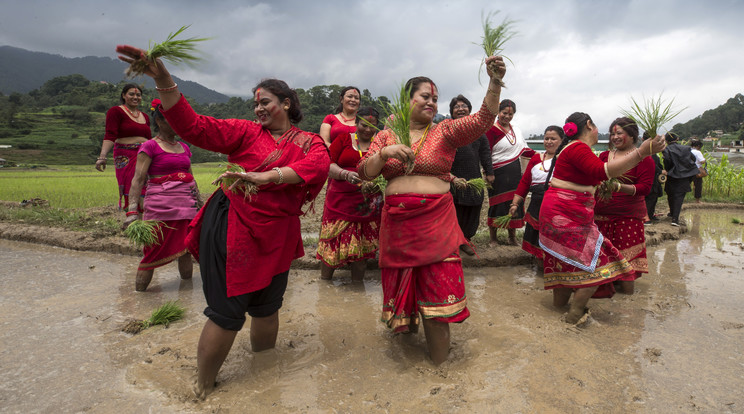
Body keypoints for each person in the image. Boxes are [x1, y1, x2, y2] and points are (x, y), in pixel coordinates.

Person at [116, 45, 330, 399]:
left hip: (277, 232)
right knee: (227, 310)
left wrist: (268, 177)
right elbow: (195, 126)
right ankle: (202, 387)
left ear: (287, 103)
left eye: (266, 102)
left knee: (267, 306)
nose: (259, 108)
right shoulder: (245, 132)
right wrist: (163, 78)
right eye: (256, 104)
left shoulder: (310, 143)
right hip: (234, 227)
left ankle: (264, 374)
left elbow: (317, 168)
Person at [357, 56, 506, 365]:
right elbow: (365, 172)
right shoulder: (386, 135)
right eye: (426, 96)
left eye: (435, 99)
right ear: (407, 99)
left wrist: (494, 83)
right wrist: (385, 153)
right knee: (402, 292)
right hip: (397, 224)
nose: (432, 102)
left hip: (435, 222)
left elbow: (481, 121)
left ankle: (441, 371)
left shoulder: (445, 131)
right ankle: (408, 362)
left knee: (437, 297)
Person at [538, 112, 666, 324]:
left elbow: (599, 177)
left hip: (564, 212)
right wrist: (642, 153)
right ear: (589, 125)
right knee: (601, 265)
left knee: (563, 262)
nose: (610, 135)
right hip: (566, 214)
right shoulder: (579, 147)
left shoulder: (575, 149)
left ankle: (559, 309)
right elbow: (601, 172)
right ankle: (574, 316)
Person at [123, 99, 202, 291]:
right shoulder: (150, 146)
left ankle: (186, 297)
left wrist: (200, 205)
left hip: (186, 207)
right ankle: (138, 300)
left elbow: (191, 177)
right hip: (160, 210)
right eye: (171, 120)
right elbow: (138, 179)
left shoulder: (184, 148)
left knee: (185, 251)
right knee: (151, 254)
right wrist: (132, 212)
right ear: (159, 121)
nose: (177, 125)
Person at [316, 107, 383, 281]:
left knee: (360, 252)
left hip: (366, 204)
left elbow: (386, 170)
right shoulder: (343, 139)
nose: (368, 130)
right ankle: (324, 286)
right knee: (331, 248)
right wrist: (345, 174)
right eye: (364, 125)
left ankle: (357, 287)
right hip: (340, 200)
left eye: (372, 126)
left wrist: (376, 183)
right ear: (356, 123)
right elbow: (327, 164)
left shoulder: (380, 145)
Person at [593, 117, 655, 294]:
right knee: (602, 258)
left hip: (627, 217)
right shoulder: (605, 156)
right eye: (612, 134)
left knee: (626, 259)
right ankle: (606, 290)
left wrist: (619, 187)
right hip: (600, 216)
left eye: (619, 133)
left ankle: (628, 303)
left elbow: (645, 188)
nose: (615, 137)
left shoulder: (644, 159)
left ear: (632, 135)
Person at [448, 94, 494, 256]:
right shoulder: (447, 130)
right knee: (454, 209)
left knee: (474, 207)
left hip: (474, 176)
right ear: (452, 112)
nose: (460, 109)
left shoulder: (478, 131)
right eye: (456, 107)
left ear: (469, 109)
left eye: (463, 106)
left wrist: (489, 172)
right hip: (452, 176)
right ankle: (454, 241)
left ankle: (466, 239)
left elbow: (485, 153)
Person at [508, 126, 562, 261]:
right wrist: (515, 204)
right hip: (537, 205)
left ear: (562, 140)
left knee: (554, 240)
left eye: (553, 139)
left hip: (557, 207)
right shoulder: (536, 159)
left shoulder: (564, 160)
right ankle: (540, 267)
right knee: (538, 239)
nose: (549, 141)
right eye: (546, 138)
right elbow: (525, 183)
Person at [485, 99, 535, 246]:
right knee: (496, 203)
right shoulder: (491, 130)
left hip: (514, 172)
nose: (507, 116)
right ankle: (493, 237)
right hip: (496, 173)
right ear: (498, 113)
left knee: (515, 202)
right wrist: (488, 172)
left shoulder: (516, 131)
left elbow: (525, 150)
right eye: (504, 113)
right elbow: (486, 152)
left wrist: (544, 156)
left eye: (510, 114)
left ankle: (512, 237)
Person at [96, 84, 152, 210]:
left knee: (147, 189)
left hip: (145, 156)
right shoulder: (116, 111)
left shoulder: (145, 116)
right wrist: (102, 156)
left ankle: (144, 222)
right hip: (126, 156)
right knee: (133, 187)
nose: (135, 97)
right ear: (123, 95)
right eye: (131, 94)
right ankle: (133, 219)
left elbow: (149, 139)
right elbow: (110, 134)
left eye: (138, 95)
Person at [662, 132, 699, 226]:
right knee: (679, 196)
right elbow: (693, 159)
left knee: (670, 193)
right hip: (685, 175)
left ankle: (672, 213)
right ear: (677, 139)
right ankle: (675, 218)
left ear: (666, 141)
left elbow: (667, 160)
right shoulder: (686, 148)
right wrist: (686, 166)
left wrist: (668, 169)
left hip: (672, 175)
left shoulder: (667, 149)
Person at [643, 132, 666, 223]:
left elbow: (657, 165)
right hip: (647, 180)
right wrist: (660, 171)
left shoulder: (653, 153)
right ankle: (646, 217)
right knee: (647, 199)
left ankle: (651, 215)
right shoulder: (644, 152)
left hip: (654, 181)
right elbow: (651, 165)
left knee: (653, 199)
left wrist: (661, 170)